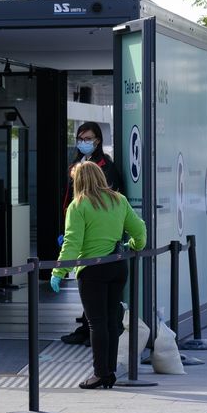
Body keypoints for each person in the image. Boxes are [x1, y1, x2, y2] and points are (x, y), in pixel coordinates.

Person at [50, 161, 146, 389]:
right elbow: (139, 229)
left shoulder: (78, 205)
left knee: (97, 323)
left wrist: (58, 272)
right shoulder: (118, 200)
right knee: (113, 320)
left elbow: (72, 244)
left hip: (92, 271)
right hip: (117, 266)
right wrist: (134, 244)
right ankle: (110, 371)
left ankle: (100, 373)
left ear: (80, 180)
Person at [60, 121, 123, 346]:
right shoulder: (76, 163)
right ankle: (87, 328)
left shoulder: (106, 165)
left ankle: (97, 332)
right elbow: (69, 197)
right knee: (85, 284)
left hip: (97, 237)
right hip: (78, 228)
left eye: (88, 138)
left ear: (97, 140)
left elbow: (112, 200)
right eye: (81, 138)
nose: (84, 142)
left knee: (97, 288)